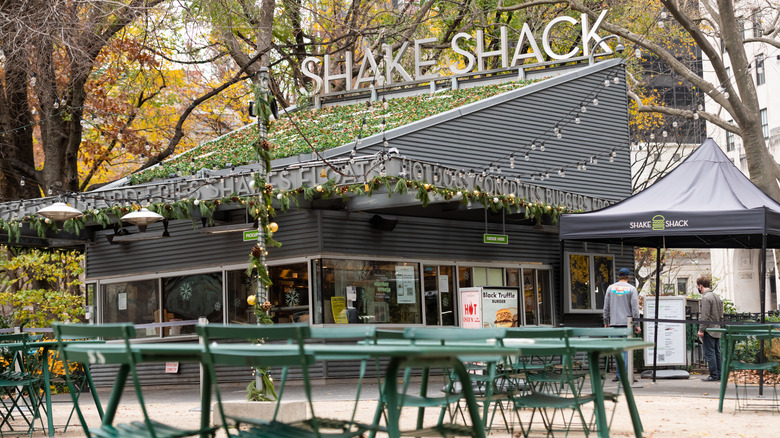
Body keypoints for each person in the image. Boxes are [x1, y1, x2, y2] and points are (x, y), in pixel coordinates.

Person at [603, 267, 641, 381]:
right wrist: (637, 324)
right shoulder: (632, 289)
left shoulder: (611, 288)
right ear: (628, 277)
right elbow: (635, 308)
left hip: (614, 324)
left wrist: (606, 321)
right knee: (627, 351)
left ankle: (619, 375)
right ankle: (627, 375)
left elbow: (606, 307)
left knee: (618, 351)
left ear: (619, 276)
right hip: (627, 324)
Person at [697, 276, 723, 381]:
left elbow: (705, 316)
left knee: (710, 352)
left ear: (700, 286)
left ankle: (713, 375)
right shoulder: (717, 297)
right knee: (717, 352)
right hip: (717, 329)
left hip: (709, 329)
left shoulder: (706, 298)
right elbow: (721, 315)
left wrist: (701, 330)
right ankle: (719, 374)